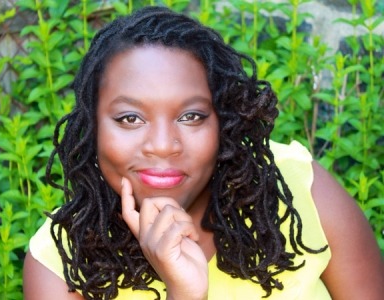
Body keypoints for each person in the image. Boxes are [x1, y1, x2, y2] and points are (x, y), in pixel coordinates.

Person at [23, 6, 383, 300]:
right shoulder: (59, 264)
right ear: (93, 128)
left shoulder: (303, 190)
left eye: (191, 116)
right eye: (130, 118)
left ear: (223, 123)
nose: (163, 145)